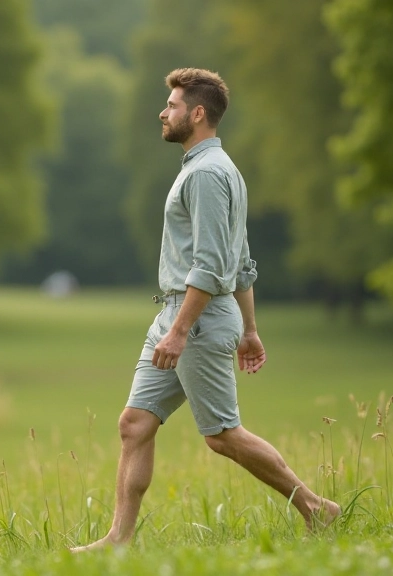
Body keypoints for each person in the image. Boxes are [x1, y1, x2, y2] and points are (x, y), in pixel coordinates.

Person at [71, 68, 340, 552]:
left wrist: (180, 330)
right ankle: (119, 539)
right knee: (135, 423)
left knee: (222, 435)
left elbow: (215, 264)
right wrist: (250, 330)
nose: (163, 112)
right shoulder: (206, 169)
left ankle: (317, 508)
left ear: (197, 114)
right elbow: (241, 260)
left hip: (193, 321)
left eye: (171, 105)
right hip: (178, 317)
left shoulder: (210, 175)